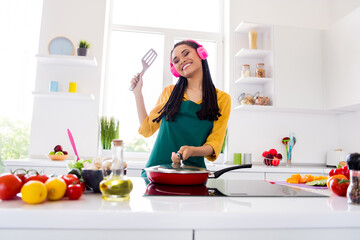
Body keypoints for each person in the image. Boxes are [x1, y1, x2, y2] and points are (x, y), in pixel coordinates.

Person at [131, 39, 231, 178]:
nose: (182, 61)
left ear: (201, 54)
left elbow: (214, 144)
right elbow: (147, 128)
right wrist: (138, 94)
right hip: (157, 173)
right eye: (176, 61)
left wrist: (193, 151)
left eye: (186, 54)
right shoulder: (170, 93)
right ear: (175, 69)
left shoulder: (222, 99)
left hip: (193, 175)